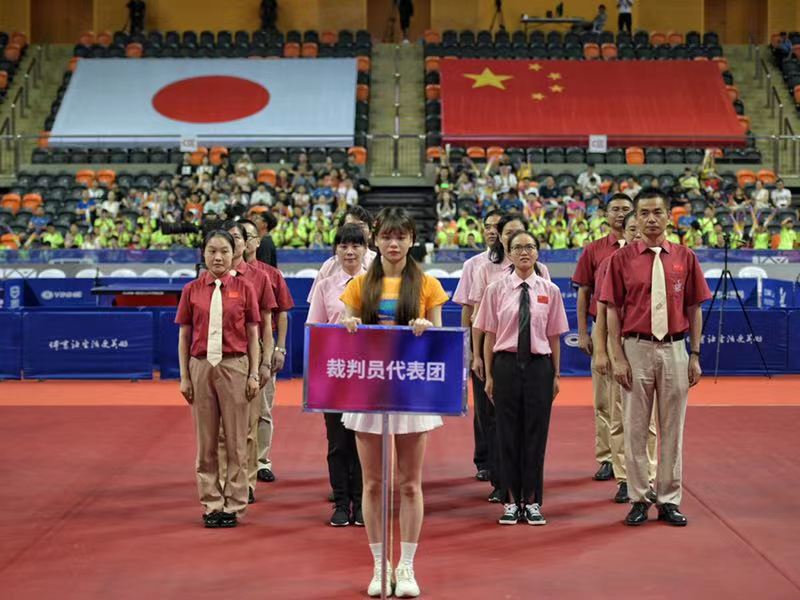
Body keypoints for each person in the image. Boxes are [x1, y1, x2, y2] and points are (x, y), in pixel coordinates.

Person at [340, 207, 448, 598]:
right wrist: (349, 328)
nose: (394, 243)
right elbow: (343, 340)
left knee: (410, 484)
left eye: (401, 236)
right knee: (372, 483)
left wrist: (426, 328)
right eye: (387, 236)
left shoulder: (428, 285)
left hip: (410, 391)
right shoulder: (358, 286)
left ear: (412, 240)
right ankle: (379, 565)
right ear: (376, 239)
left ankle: (406, 566)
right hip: (369, 390)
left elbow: (440, 341)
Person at [600, 188, 711, 527]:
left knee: (673, 428)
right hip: (636, 347)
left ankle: (669, 499)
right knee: (635, 427)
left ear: (668, 217)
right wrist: (617, 357)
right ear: (635, 218)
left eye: (657, 212)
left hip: (675, 348)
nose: (651, 219)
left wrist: (694, 354)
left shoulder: (685, 257)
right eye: (644, 213)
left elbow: (694, 308)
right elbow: (612, 311)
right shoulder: (620, 260)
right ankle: (638, 497)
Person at [473, 229, 568, 526]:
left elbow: (554, 336)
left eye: (529, 247)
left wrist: (556, 374)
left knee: (536, 434)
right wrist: (489, 375)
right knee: (506, 433)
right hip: (505, 365)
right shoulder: (495, 290)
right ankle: (511, 501)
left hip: (539, 367)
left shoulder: (550, 291)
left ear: (537, 253)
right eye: (518, 248)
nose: (524, 252)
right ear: (509, 254)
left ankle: (533, 500)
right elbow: (489, 335)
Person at [176, 230, 261, 528]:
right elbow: (184, 335)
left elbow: (253, 333)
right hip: (201, 366)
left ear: (234, 252)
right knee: (206, 442)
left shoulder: (245, 287)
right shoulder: (191, 290)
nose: (218, 257)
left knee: (237, 441)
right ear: (203, 254)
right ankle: (211, 503)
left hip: (235, 365)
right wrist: (185, 376)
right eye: (212, 251)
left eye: (224, 250)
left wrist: (253, 373)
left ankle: (234, 505)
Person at [468, 214, 550, 505]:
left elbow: (548, 323)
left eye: (524, 238)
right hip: (498, 355)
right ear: (501, 238)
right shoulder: (485, 269)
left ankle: (528, 491)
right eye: (510, 235)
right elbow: (479, 319)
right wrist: (477, 355)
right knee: (495, 421)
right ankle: (501, 482)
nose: (520, 247)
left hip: (534, 359)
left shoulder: (542, 273)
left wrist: (554, 372)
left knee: (532, 426)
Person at [591, 212, 657, 503]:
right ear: (625, 232)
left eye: (639, 230)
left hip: (647, 344)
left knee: (649, 419)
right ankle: (623, 477)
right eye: (632, 230)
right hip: (619, 345)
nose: (637, 234)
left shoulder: (657, 261)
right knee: (618, 414)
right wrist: (602, 351)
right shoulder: (611, 264)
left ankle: (649, 476)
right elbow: (602, 315)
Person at [307, 224, 369, 527]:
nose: (350, 251)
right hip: (335, 373)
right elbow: (314, 329)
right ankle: (341, 502)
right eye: (344, 246)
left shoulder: (377, 284)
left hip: (368, 375)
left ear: (366, 250)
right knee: (338, 442)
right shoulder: (325, 286)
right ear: (336, 250)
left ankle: (363, 502)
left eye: (356, 246)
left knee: (365, 442)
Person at [571, 192, 634, 483]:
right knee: (604, 399)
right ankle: (607, 457)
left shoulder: (643, 250)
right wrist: (583, 332)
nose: (620, 214)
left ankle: (630, 457)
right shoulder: (594, 250)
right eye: (615, 209)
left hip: (636, 332)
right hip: (603, 331)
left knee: (631, 399)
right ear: (606, 215)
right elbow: (584, 293)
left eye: (626, 209)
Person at [218, 221, 277, 505]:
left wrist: (265, 362)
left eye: (237, 238)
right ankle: (224, 479)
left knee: (250, 425)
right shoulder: (211, 277)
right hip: (219, 356)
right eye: (228, 238)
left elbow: (266, 324)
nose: (233, 242)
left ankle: (247, 481)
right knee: (221, 429)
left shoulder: (259, 277)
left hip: (249, 355)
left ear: (246, 243)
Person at [241, 219, 295, 484]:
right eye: (238, 235)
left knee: (263, 408)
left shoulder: (270, 275)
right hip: (234, 346)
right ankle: (239, 460)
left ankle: (261, 460)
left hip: (263, 345)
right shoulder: (225, 275)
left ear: (257, 241)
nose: (243, 241)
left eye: (248, 236)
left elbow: (282, 314)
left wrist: (279, 348)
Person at [451, 210, 503, 484]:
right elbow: (467, 309)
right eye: (488, 226)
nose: (492, 231)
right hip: (480, 341)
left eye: (497, 226)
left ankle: (505, 461)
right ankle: (484, 460)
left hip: (509, 341)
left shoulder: (520, 262)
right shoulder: (473, 264)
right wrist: (469, 348)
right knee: (484, 406)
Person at [307, 206, 376, 304]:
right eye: (350, 226)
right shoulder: (329, 267)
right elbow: (315, 306)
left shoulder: (379, 264)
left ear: (370, 233)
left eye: (360, 226)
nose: (354, 231)